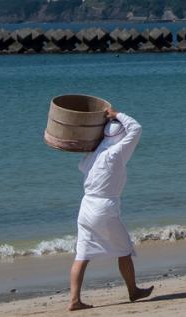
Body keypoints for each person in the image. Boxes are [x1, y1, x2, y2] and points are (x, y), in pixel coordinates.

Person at [68, 106, 152, 312]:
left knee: (82, 254)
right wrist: (117, 115)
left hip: (86, 206)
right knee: (124, 250)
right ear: (119, 137)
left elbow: (82, 166)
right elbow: (136, 128)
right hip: (104, 207)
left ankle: (74, 300)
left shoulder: (94, 154)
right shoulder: (116, 152)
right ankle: (133, 290)